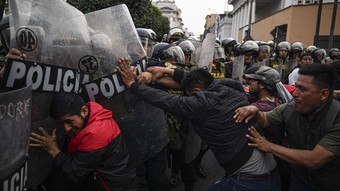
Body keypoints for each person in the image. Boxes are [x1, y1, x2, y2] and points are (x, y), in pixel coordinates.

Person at [117, 58, 281, 191]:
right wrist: (168, 71)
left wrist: (132, 84)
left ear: (195, 93)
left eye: (190, 95)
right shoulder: (232, 87)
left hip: (251, 181)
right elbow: (202, 78)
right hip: (266, 170)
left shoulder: (201, 104)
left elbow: (165, 100)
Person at [234, 63, 340, 191]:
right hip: (298, 181)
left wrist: (269, 146)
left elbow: (315, 159)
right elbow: (266, 119)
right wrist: (255, 110)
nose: (295, 93)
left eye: (303, 89)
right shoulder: (290, 108)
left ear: (323, 94)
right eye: (296, 87)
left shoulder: (336, 117)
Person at [29, 93, 136, 191]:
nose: (67, 129)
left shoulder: (95, 134)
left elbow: (75, 174)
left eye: (69, 121)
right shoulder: (95, 113)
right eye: (62, 124)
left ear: (84, 111)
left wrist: (54, 150)